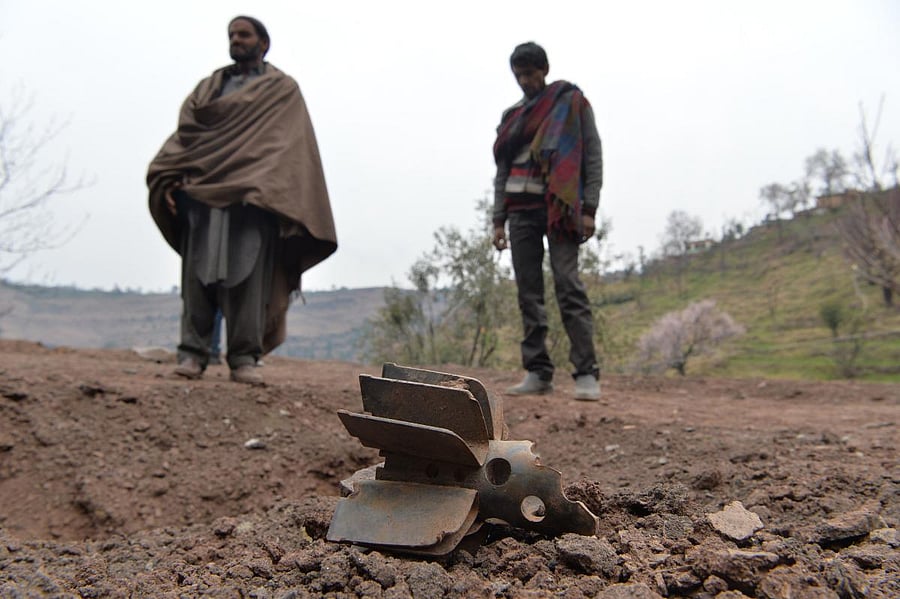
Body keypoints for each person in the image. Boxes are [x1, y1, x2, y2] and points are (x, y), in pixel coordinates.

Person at [147, 16, 336, 385]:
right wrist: (172, 178)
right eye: (232, 35)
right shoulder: (209, 89)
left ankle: (244, 358)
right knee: (196, 278)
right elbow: (187, 137)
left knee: (249, 280)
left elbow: (289, 150)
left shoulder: (281, 90)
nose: (236, 40)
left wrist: (269, 189)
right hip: (202, 195)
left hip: (254, 201)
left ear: (263, 43)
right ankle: (192, 354)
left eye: (244, 34)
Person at [492, 42, 602, 401]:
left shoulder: (570, 103)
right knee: (528, 292)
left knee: (568, 285)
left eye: (530, 74)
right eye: (519, 75)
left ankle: (586, 373)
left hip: (561, 209)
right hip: (519, 212)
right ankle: (538, 372)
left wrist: (589, 209)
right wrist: (498, 220)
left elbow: (592, 156)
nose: (525, 81)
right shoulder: (512, 117)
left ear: (544, 70)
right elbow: (502, 172)